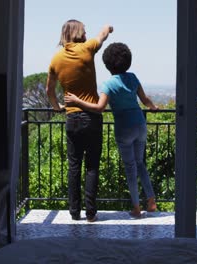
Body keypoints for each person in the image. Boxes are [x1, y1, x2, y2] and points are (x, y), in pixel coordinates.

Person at [64, 42, 158, 218]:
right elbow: (145, 100)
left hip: (124, 129)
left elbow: (99, 108)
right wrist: (153, 107)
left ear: (107, 65)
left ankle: (137, 208)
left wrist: (76, 101)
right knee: (140, 163)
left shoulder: (108, 84)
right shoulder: (133, 77)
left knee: (130, 167)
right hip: (140, 124)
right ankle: (151, 199)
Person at [46, 19, 113, 222]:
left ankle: (74, 213)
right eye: (84, 30)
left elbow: (49, 90)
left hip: (72, 118)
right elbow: (102, 35)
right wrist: (108, 27)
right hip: (92, 118)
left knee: (74, 167)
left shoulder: (56, 59)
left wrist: (58, 108)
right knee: (92, 167)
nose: (86, 33)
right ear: (77, 32)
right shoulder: (87, 49)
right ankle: (91, 213)